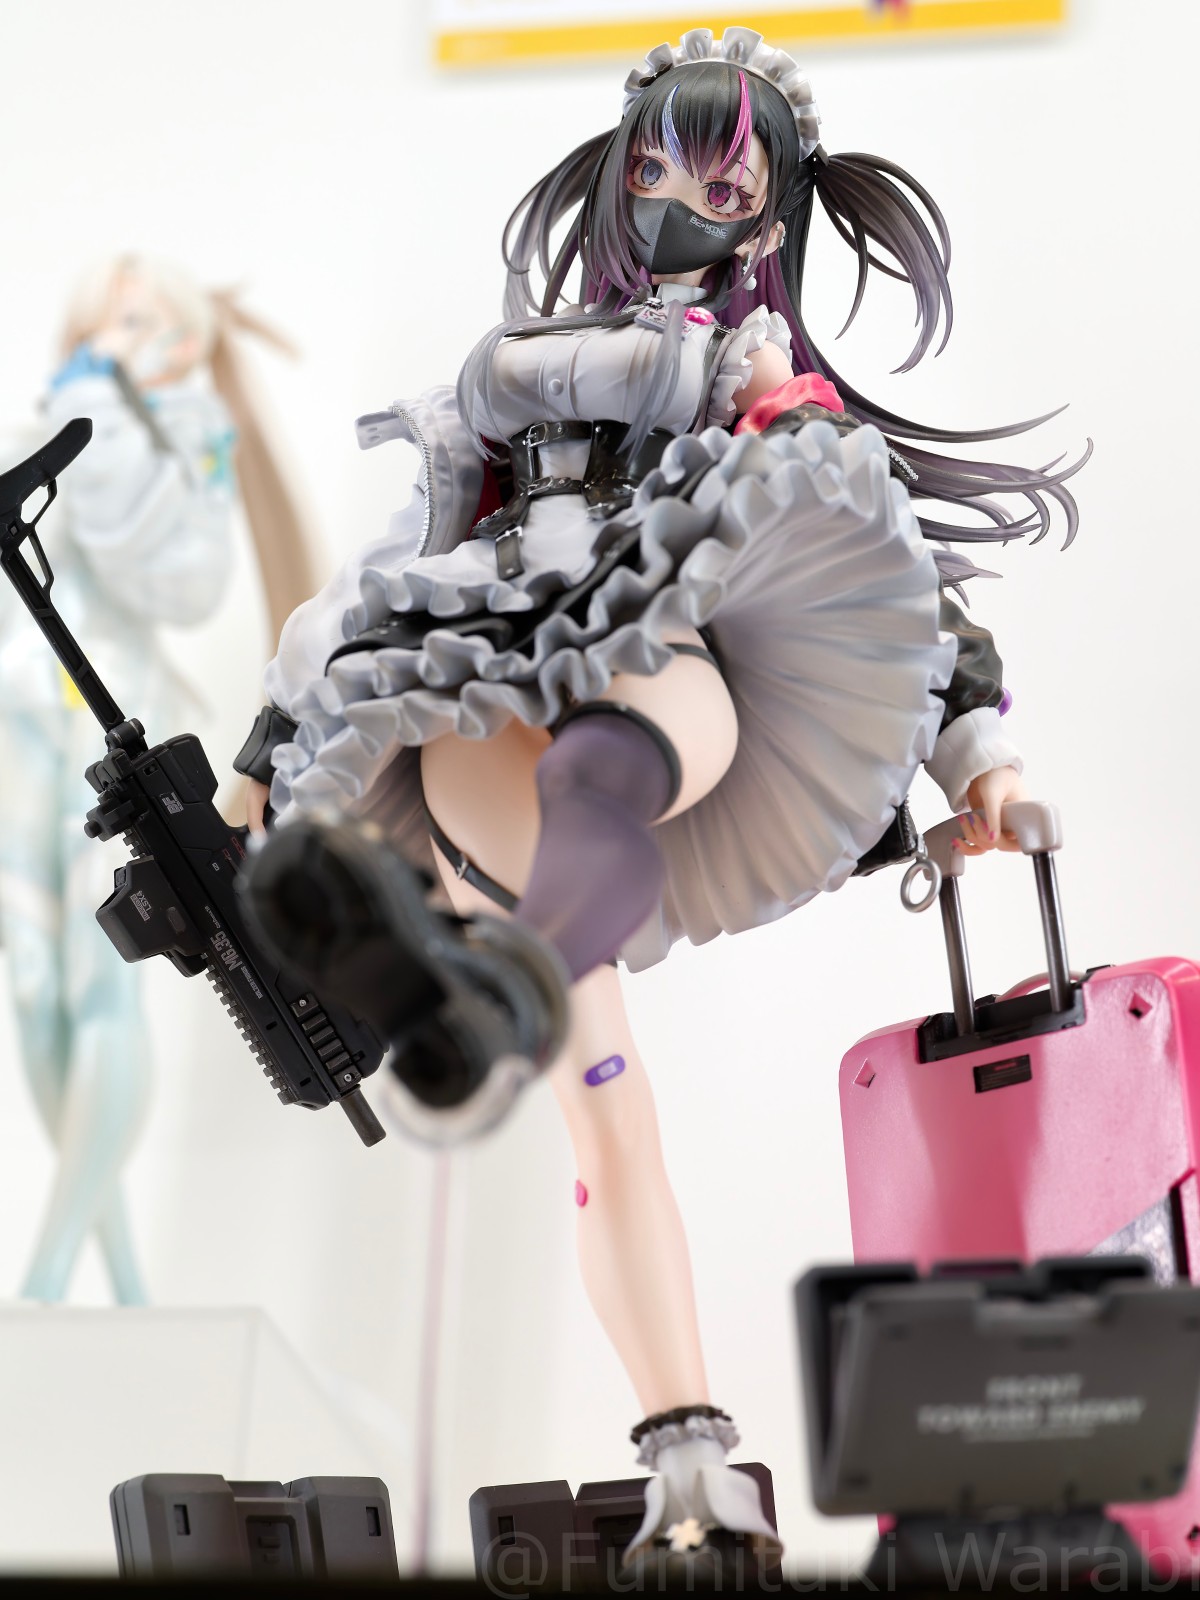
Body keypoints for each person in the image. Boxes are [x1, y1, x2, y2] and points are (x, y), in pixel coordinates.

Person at [237, 29, 1082, 1567]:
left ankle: (486, 1003)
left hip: (664, 672)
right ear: (618, 174)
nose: (678, 196)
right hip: (482, 693)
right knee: (604, 1096)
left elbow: (892, 576)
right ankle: (499, 1010)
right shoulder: (521, 364)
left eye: (722, 177)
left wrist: (983, 761)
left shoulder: (756, 380)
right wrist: (264, 750)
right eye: (654, 164)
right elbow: (388, 562)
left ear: (768, 211)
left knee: (612, 842)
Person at [0, 254, 314, 1304]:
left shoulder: (183, 439)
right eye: (99, 325)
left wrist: (102, 426)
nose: (108, 343)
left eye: (134, 322)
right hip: (20, 725)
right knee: (34, 989)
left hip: (103, 722)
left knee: (101, 987)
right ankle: (118, 1270)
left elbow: (175, 583)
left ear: (184, 339)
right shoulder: (56, 419)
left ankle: (50, 1273)